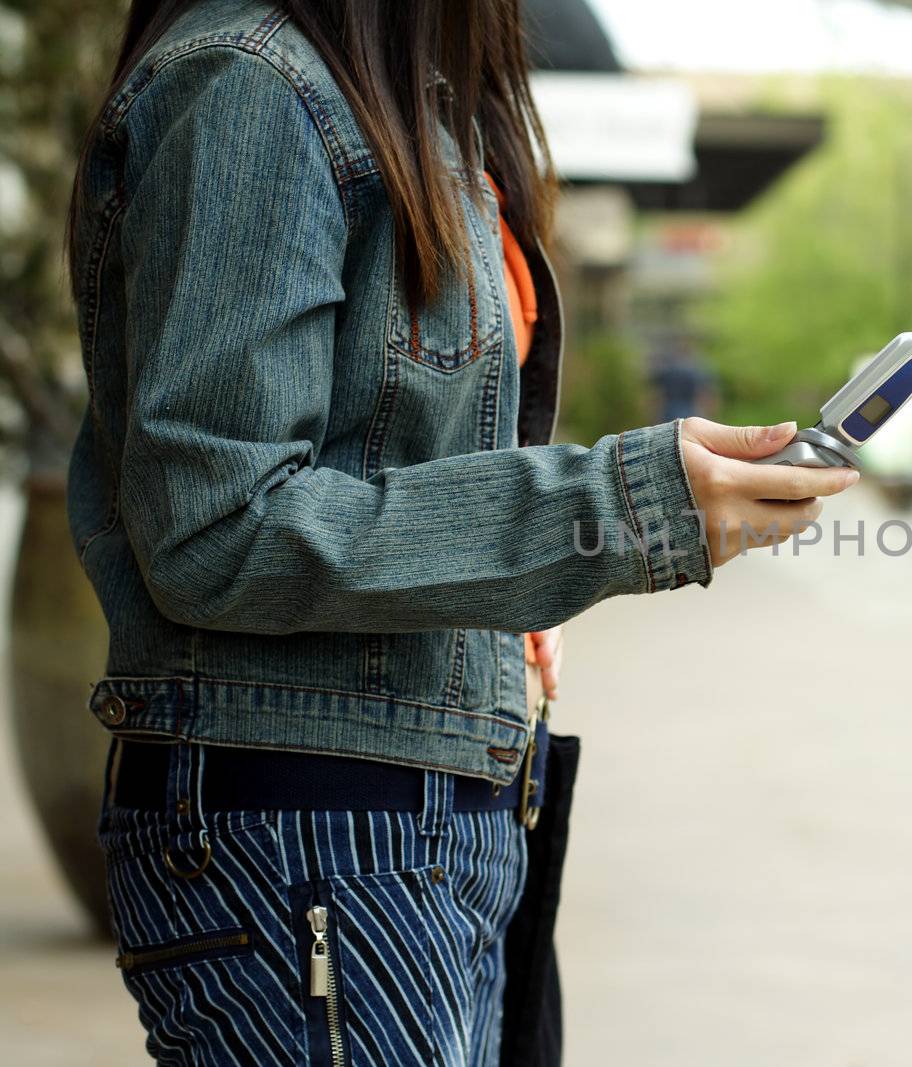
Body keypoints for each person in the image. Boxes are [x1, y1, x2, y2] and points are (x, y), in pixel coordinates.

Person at [64, 1, 858, 1063]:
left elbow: (406, 469)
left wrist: (507, 605)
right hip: (313, 827)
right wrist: (612, 510)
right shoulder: (250, 86)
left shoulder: (425, 107)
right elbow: (219, 529)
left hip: (436, 806)